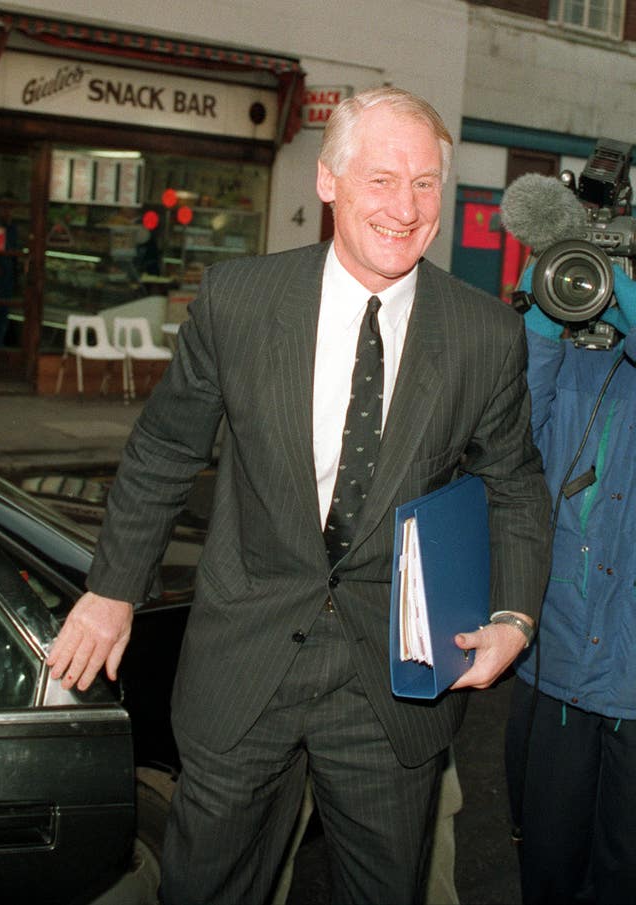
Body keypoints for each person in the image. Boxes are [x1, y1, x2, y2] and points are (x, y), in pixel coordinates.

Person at [47, 86, 552, 905]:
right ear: (328, 181)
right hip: (243, 667)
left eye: (425, 182)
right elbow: (166, 449)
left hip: (394, 684)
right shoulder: (238, 302)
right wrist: (112, 588)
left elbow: (517, 484)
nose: (406, 206)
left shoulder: (483, 335)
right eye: (381, 179)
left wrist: (514, 617)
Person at [505, 262, 636, 905]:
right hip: (555, 664)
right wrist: (542, 320)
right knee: (548, 869)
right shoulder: (578, 359)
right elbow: (508, 445)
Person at [0, 190, 18, 347]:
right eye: (3, 206)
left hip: (7, 281)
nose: (7, 210)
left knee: (2, 320)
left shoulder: (13, 229)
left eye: (10, 207)